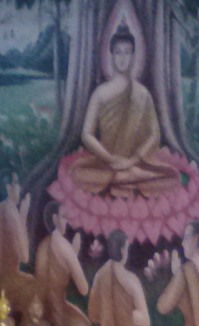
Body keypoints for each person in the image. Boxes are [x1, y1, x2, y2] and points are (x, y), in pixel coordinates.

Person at [68, 24, 181, 198]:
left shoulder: (142, 94)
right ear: (111, 56)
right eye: (118, 52)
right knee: (76, 172)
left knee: (172, 177)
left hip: (136, 162)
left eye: (127, 53)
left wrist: (133, 160)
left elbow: (154, 135)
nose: (122, 58)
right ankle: (129, 178)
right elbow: (87, 135)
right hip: (106, 163)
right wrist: (111, 159)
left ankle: (124, 177)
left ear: (134, 56)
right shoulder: (100, 93)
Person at [88, 229, 150, 326]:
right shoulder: (131, 280)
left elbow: (93, 315)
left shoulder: (99, 275)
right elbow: (145, 320)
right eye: (127, 248)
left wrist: (110, 314)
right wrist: (123, 315)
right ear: (123, 250)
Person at [33, 201, 91, 326]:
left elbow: (56, 271)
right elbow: (83, 288)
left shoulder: (43, 244)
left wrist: (72, 253)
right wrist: (74, 255)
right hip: (56, 314)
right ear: (54, 219)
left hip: (39, 311)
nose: (67, 221)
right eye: (64, 217)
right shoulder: (64, 246)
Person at [0, 174, 35, 312]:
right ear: (8, 188)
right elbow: (24, 256)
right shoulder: (9, 210)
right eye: (17, 184)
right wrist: (23, 214)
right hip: (4, 283)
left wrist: (22, 216)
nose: (20, 188)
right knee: (38, 288)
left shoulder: (1, 209)